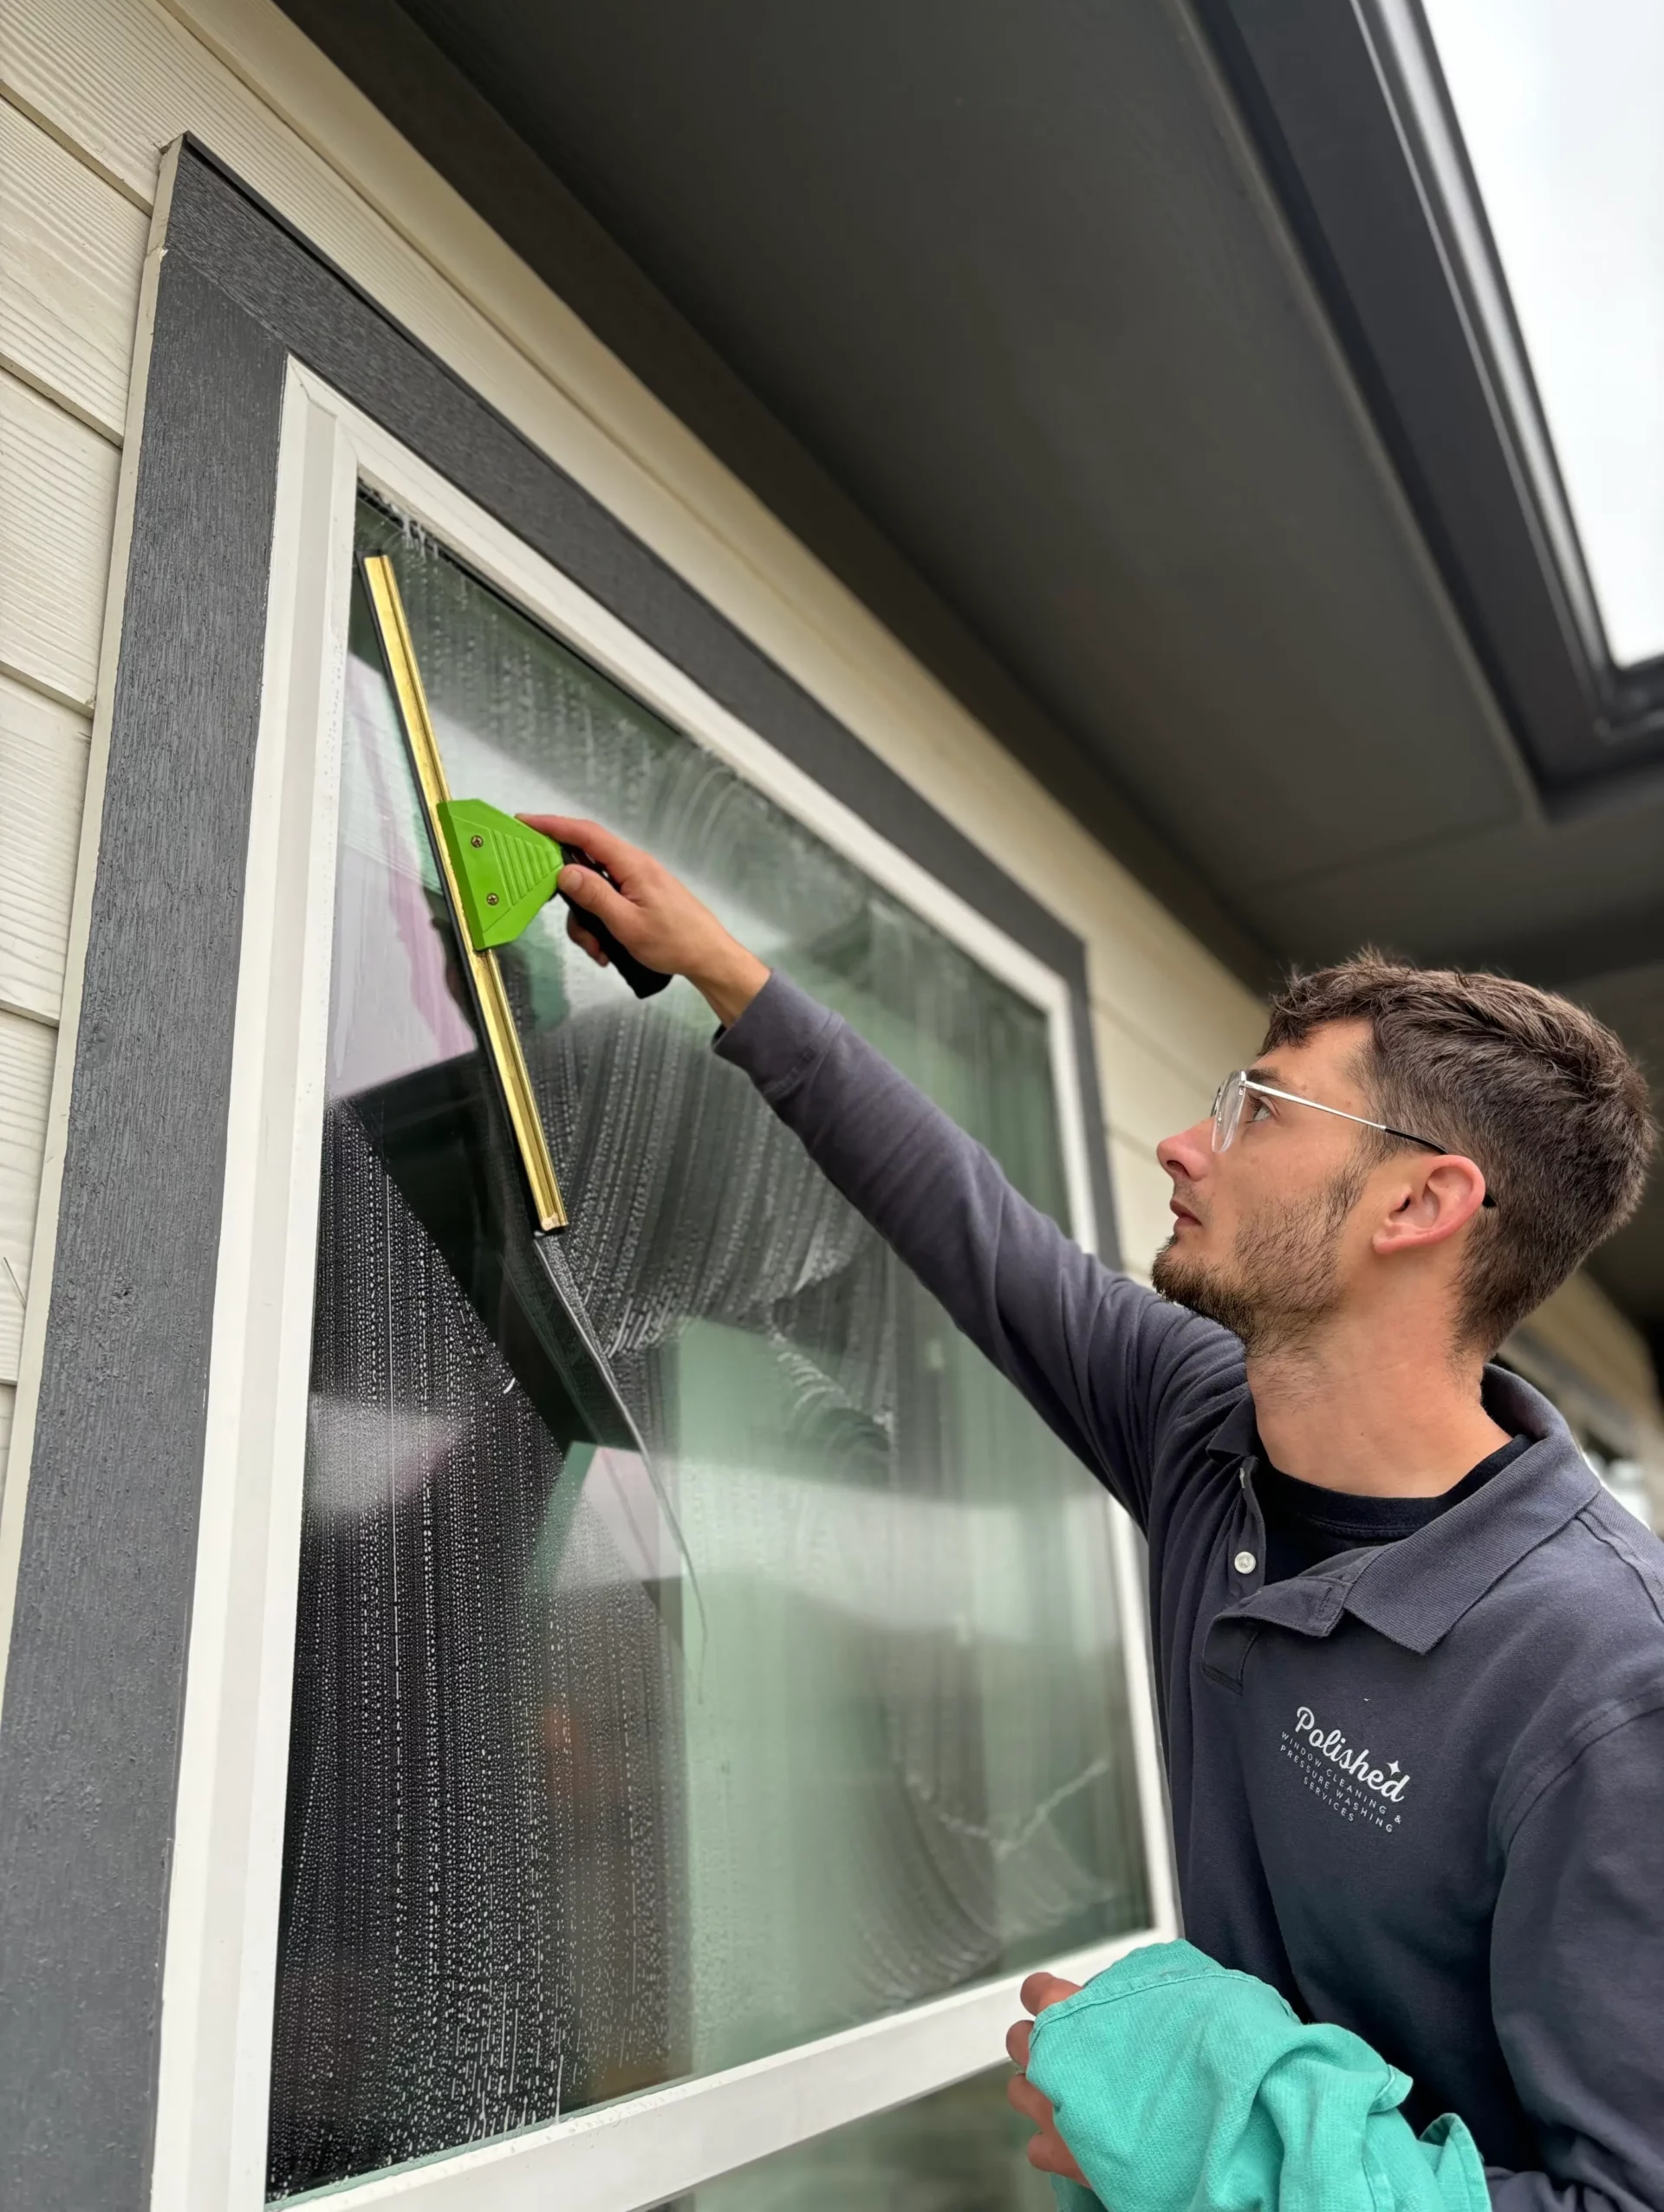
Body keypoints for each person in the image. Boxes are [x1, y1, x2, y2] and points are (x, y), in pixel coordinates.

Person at [529, 812, 1664, 2211]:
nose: (1188, 1146)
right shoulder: (1207, 1430)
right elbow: (972, 1227)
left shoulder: (1609, 1679)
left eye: (1258, 1110)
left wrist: (1232, 2156)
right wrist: (720, 970)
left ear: (1420, 1202)